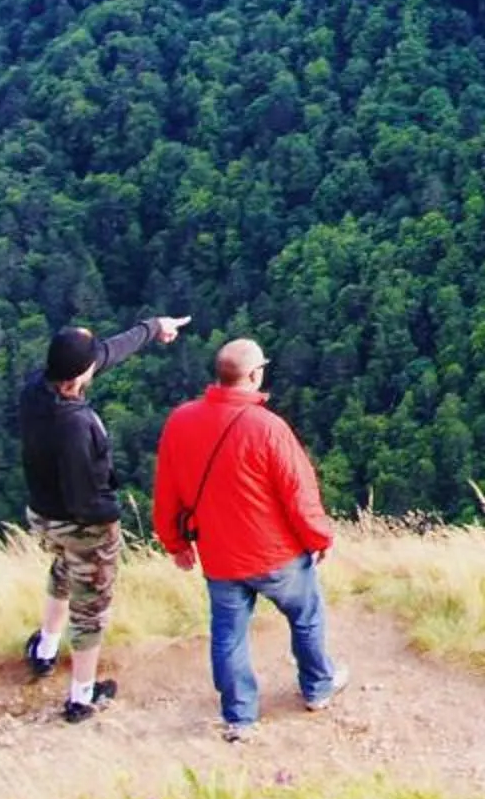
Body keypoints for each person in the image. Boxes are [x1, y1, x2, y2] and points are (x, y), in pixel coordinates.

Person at [152, 336, 345, 742]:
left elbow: (167, 490)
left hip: (219, 555)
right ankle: (317, 688)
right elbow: (299, 493)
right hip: (277, 554)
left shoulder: (180, 422)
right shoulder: (268, 428)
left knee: (228, 635)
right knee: (306, 616)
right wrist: (319, 538)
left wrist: (176, 543)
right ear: (255, 375)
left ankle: (240, 717)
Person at [17, 312, 188, 721]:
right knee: (90, 607)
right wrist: (112, 515)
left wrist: (152, 327)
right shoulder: (76, 425)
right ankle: (82, 696)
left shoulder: (35, 390)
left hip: (42, 514)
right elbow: (85, 498)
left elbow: (105, 353)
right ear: (80, 375)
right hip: (82, 523)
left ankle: (44, 649)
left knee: (63, 569)